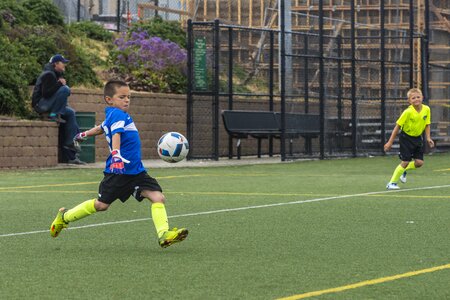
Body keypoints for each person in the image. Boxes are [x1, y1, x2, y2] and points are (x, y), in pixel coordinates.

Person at [49, 79, 188, 248]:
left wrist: (83, 135)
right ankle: (64, 218)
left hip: (136, 172)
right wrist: (115, 155)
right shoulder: (118, 115)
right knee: (101, 205)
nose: (127, 100)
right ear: (109, 100)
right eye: (122, 97)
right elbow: (116, 134)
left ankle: (164, 235)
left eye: (129, 97)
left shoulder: (113, 115)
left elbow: (101, 128)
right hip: (118, 172)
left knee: (158, 197)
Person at [31, 54, 85, 164]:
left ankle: (71, 150)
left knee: (70, 113)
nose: (64, 64)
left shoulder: (54, 74)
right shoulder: (48, 74)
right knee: (65, 89)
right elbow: (46, 94)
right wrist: (59, 84)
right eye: (62, 62)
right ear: (56, 64)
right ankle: (54, 115)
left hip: (48, 104)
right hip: (41, 105)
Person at [384, 88, 434, 190]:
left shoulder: (427, 109)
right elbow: (397, 127)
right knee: (405, 161)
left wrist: (428, 138)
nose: (416, 99)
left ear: (422, 97)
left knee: (419, 163)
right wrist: (390, 142)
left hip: (418, 138)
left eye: (418, 97)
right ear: (409, 101)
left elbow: (427, 124)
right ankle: (391, 183)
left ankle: (404, 170)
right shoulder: (407, 112)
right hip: (406, 138)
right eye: (413, 98)